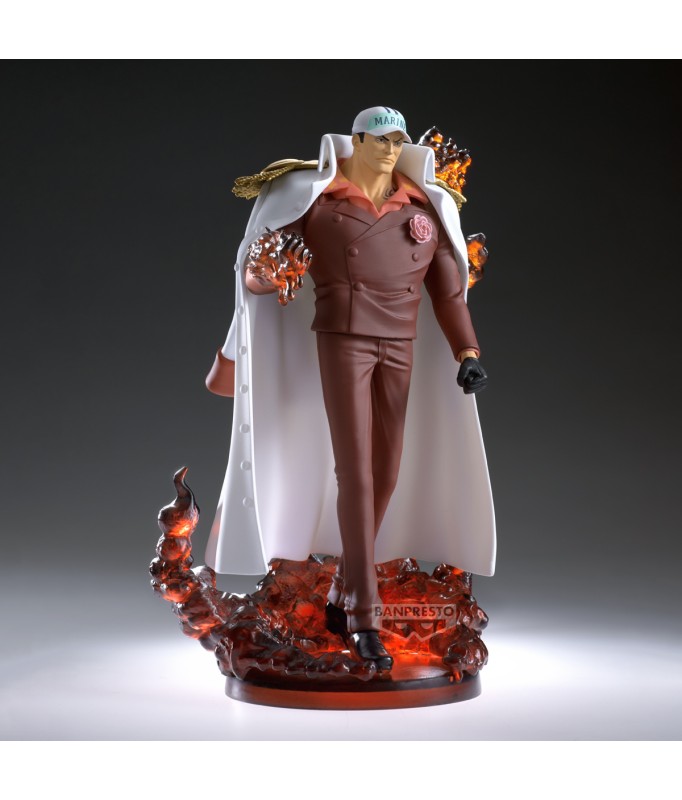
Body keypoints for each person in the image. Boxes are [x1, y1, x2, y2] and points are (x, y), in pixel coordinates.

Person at [205, 107, 496, 671]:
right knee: (355, 471)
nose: (391, 149)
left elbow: (448, 292)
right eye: (380, 140)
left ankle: (342, 587)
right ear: (356, 141)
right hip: (344, 339)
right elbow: (258, 272)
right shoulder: (317, 201)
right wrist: (269, 271)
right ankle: (364, 613)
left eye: (398, 140)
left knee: (387, 469)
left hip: (401, 342)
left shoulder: (423, 206)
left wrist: (467, 353)